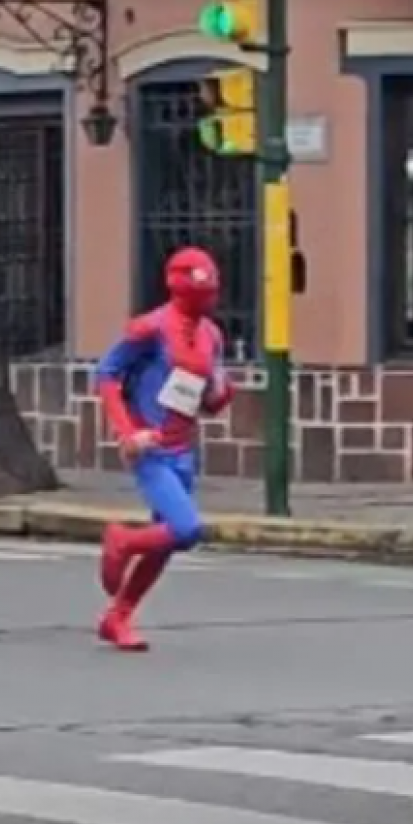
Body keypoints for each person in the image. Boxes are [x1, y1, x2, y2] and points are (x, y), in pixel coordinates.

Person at [91, 247, 234, 652]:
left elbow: (211, 397)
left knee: (168, 538)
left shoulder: (211, 335)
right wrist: (126, 431)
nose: (208, 299)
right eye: (200, 291)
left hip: (184, 448)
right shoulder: (149, 329)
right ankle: (121, 541)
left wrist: (221, 392)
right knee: (186, 529)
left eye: (212, 292)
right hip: (150, 447)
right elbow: (106, 373)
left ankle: (118, 617)